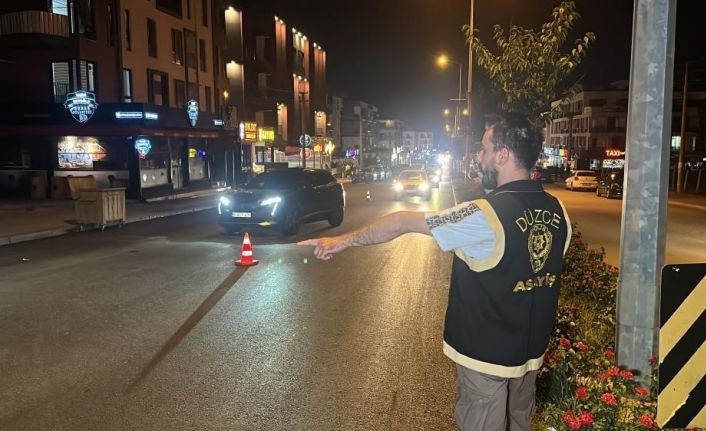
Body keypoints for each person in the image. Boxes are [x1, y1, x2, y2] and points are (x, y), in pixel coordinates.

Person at [299, 112, 572, 430]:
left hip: (485, 359)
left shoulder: (484, 215)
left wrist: (342, 241)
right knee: (520, 421)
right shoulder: (557, 211)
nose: (478, 156)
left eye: (484, 149)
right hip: (530, 357)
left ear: (503, 155)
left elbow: (402, 221)